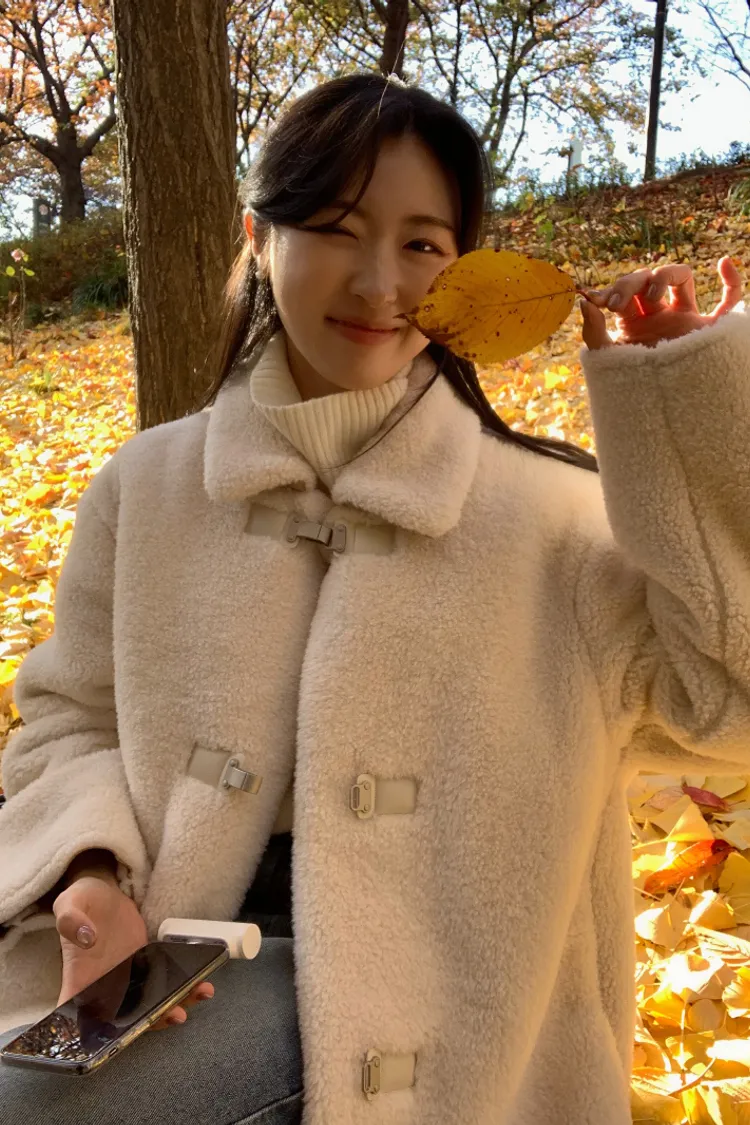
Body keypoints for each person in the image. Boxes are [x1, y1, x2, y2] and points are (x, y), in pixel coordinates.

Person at [0, 69, 748, 1125]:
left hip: (452, 1039)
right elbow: (69, 717)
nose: (380, 282)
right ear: (259, 237)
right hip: (158, 972)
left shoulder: (554, 520)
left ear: (465, 271)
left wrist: (685, 410)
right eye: (339, 229)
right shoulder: (147, 488)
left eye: (423, 243)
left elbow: (729, 706)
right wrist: (88, 873)